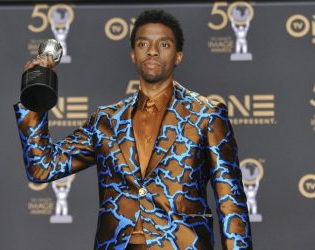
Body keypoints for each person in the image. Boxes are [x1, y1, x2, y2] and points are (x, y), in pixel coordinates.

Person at [14, 9, 252, 250]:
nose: (152, 50)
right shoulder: (105, 121)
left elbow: (230, 201)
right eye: (143, 43)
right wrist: (34, 99)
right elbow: (41, 168)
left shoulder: (206, 115)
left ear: (178, 56)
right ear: (133, 54)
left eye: (164, 44)